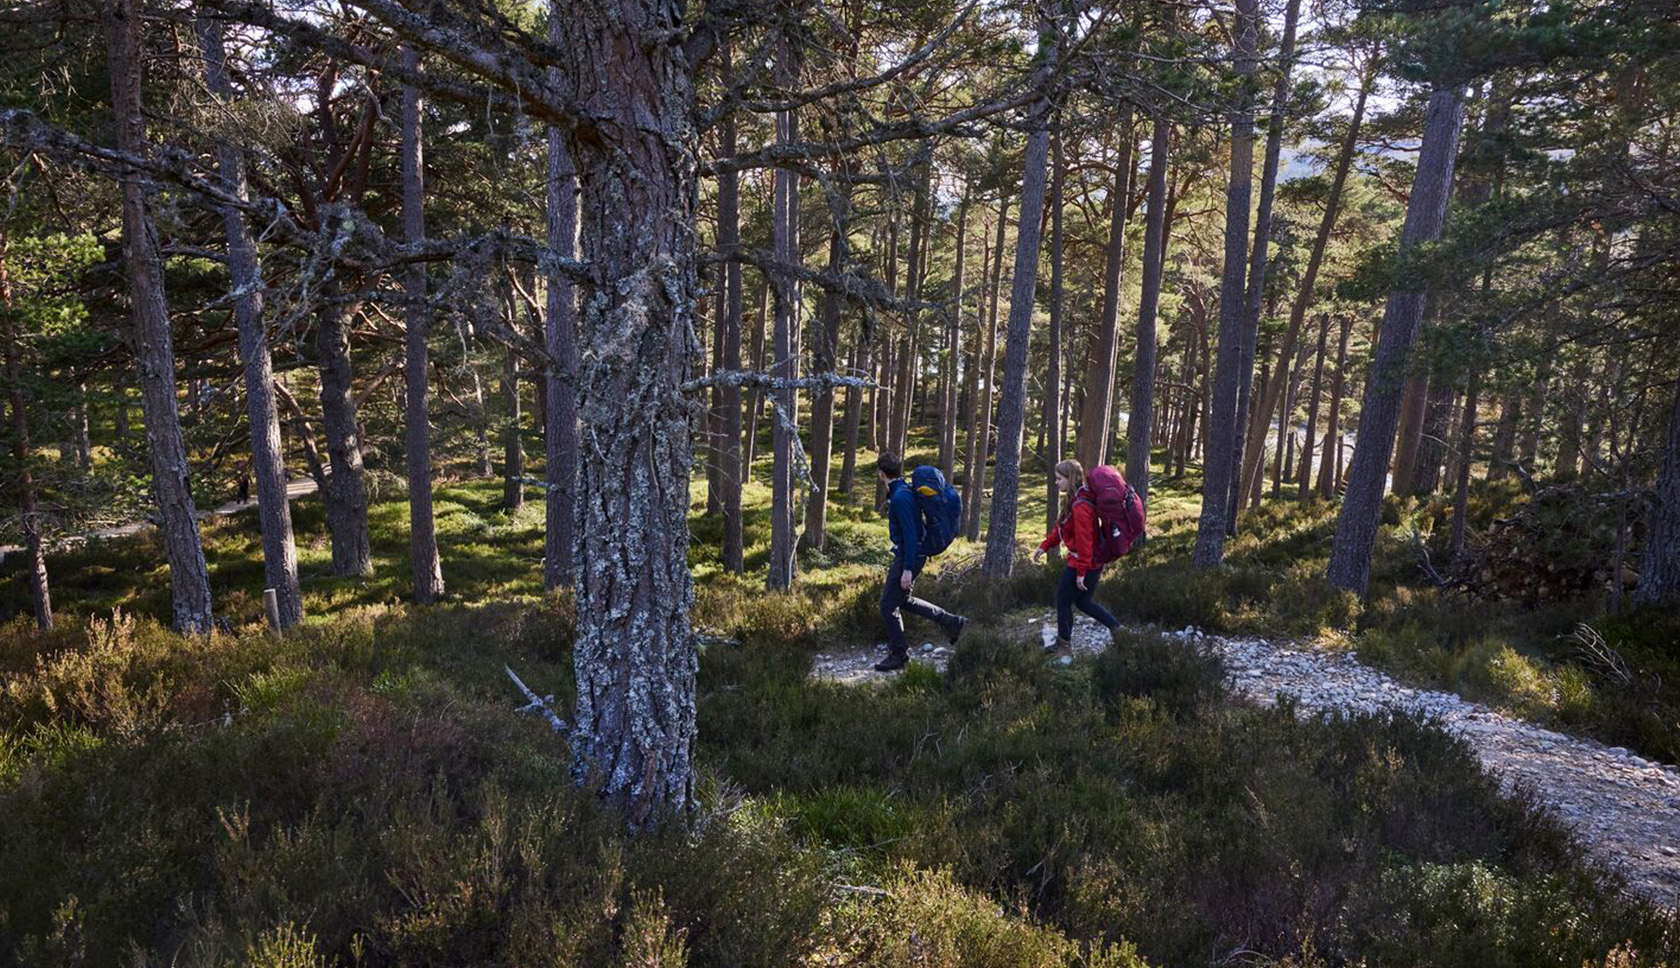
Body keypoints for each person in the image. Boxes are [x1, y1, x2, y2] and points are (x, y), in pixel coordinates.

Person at [875, 452, 966, 672]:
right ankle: (950, 622)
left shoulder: (900, 498)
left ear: (881, 474)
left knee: (887, 606)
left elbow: (911, 535)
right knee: (902, 600)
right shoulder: (903, 491)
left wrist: (907, 568)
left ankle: (899, 654)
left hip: (910, 556)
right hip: (913, 554)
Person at [1032, 458, 1120, 657]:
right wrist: (1045, 546)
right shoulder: (1077, 498)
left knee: (1063, 601)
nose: (1056, 482)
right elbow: (1061, 527)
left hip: (1084, 563)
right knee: (1083, 602)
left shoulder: (1080, 507)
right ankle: (1119, 630)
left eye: (1059, 479)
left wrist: (1081, 573)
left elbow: (1085, 542)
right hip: (1091, 562)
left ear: (1070, 479)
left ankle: (1064, 647)